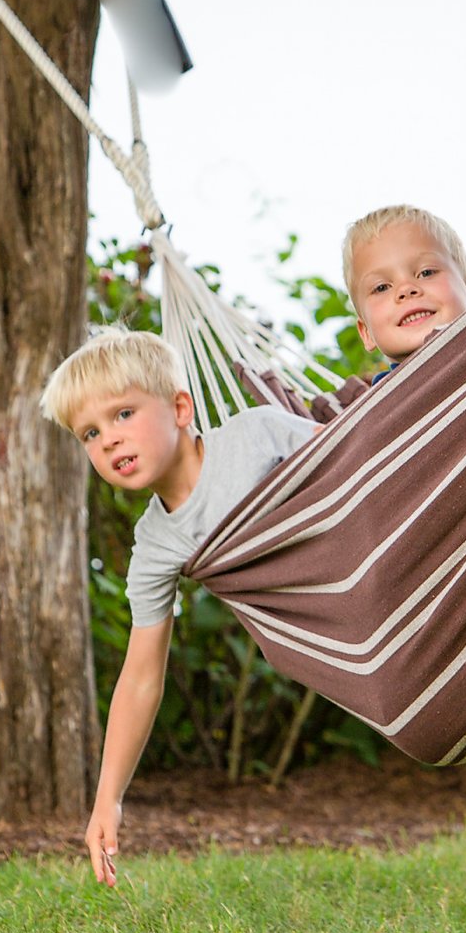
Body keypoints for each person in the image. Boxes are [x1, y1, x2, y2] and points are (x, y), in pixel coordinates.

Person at [41, 325, 316, 887]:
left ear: (181, 408)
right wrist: (107, 798)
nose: (108, 441)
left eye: (122, 415)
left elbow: (361, 468)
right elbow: (141, 676)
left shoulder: (258, 435)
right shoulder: (158, 544)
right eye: (89, 433)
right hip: (327, 632)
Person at [342, 204, 466, 370]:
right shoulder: (383, 396)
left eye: (426, 273)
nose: (406, 289)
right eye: (381, 288)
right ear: (366, 333)